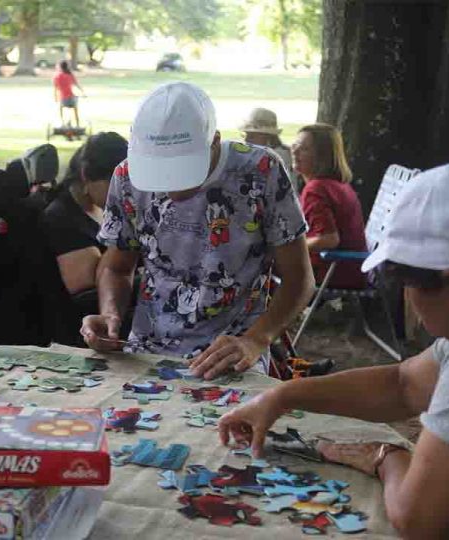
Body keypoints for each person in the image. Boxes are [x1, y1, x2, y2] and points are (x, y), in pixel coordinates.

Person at [217, 163, 449, 539]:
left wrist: (385, 457)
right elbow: (403, 383)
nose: (408, 300)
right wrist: (282, 395)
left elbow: (420, 520)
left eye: (408, 284)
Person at [81, 82, 314, 380]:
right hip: (145, 350)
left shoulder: (262, 171)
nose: (170, 187)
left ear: (214, 142)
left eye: (182, 173)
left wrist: (256, 339)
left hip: (233, 355)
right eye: (158, 174)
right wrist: (111, 313)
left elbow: (300, 279)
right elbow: (116, 268)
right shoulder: (127, 177)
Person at [42, 132, 128, 296]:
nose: (124, 194)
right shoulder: (61, 219)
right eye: (115, 185)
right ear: (85, 175)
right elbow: (88, 293)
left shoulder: (105, 208)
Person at [293, 123, 367, 289]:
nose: (295, 152)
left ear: (322, 156)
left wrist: (289, 247)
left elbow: (328, 239)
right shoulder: (338, 185)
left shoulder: (316, 188)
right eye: (295, 146)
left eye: (304, 149)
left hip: (332, 273)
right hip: (351, 271)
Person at [240, 107, 295, 188]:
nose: (246, 140)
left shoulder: (278, 156)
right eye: (245, 135)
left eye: (251, 136)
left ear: (268, 137)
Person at [53, 60, 85, 127]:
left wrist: (55, 98)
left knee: (61, 108)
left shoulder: (57, 76)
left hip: (63, 98)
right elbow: (77, 84)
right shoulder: (70, 75)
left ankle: (62, 123)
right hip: (72, 98)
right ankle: (77, 124)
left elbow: (55, 89)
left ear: (60, 67)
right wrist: (83, 92)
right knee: (75, 109)